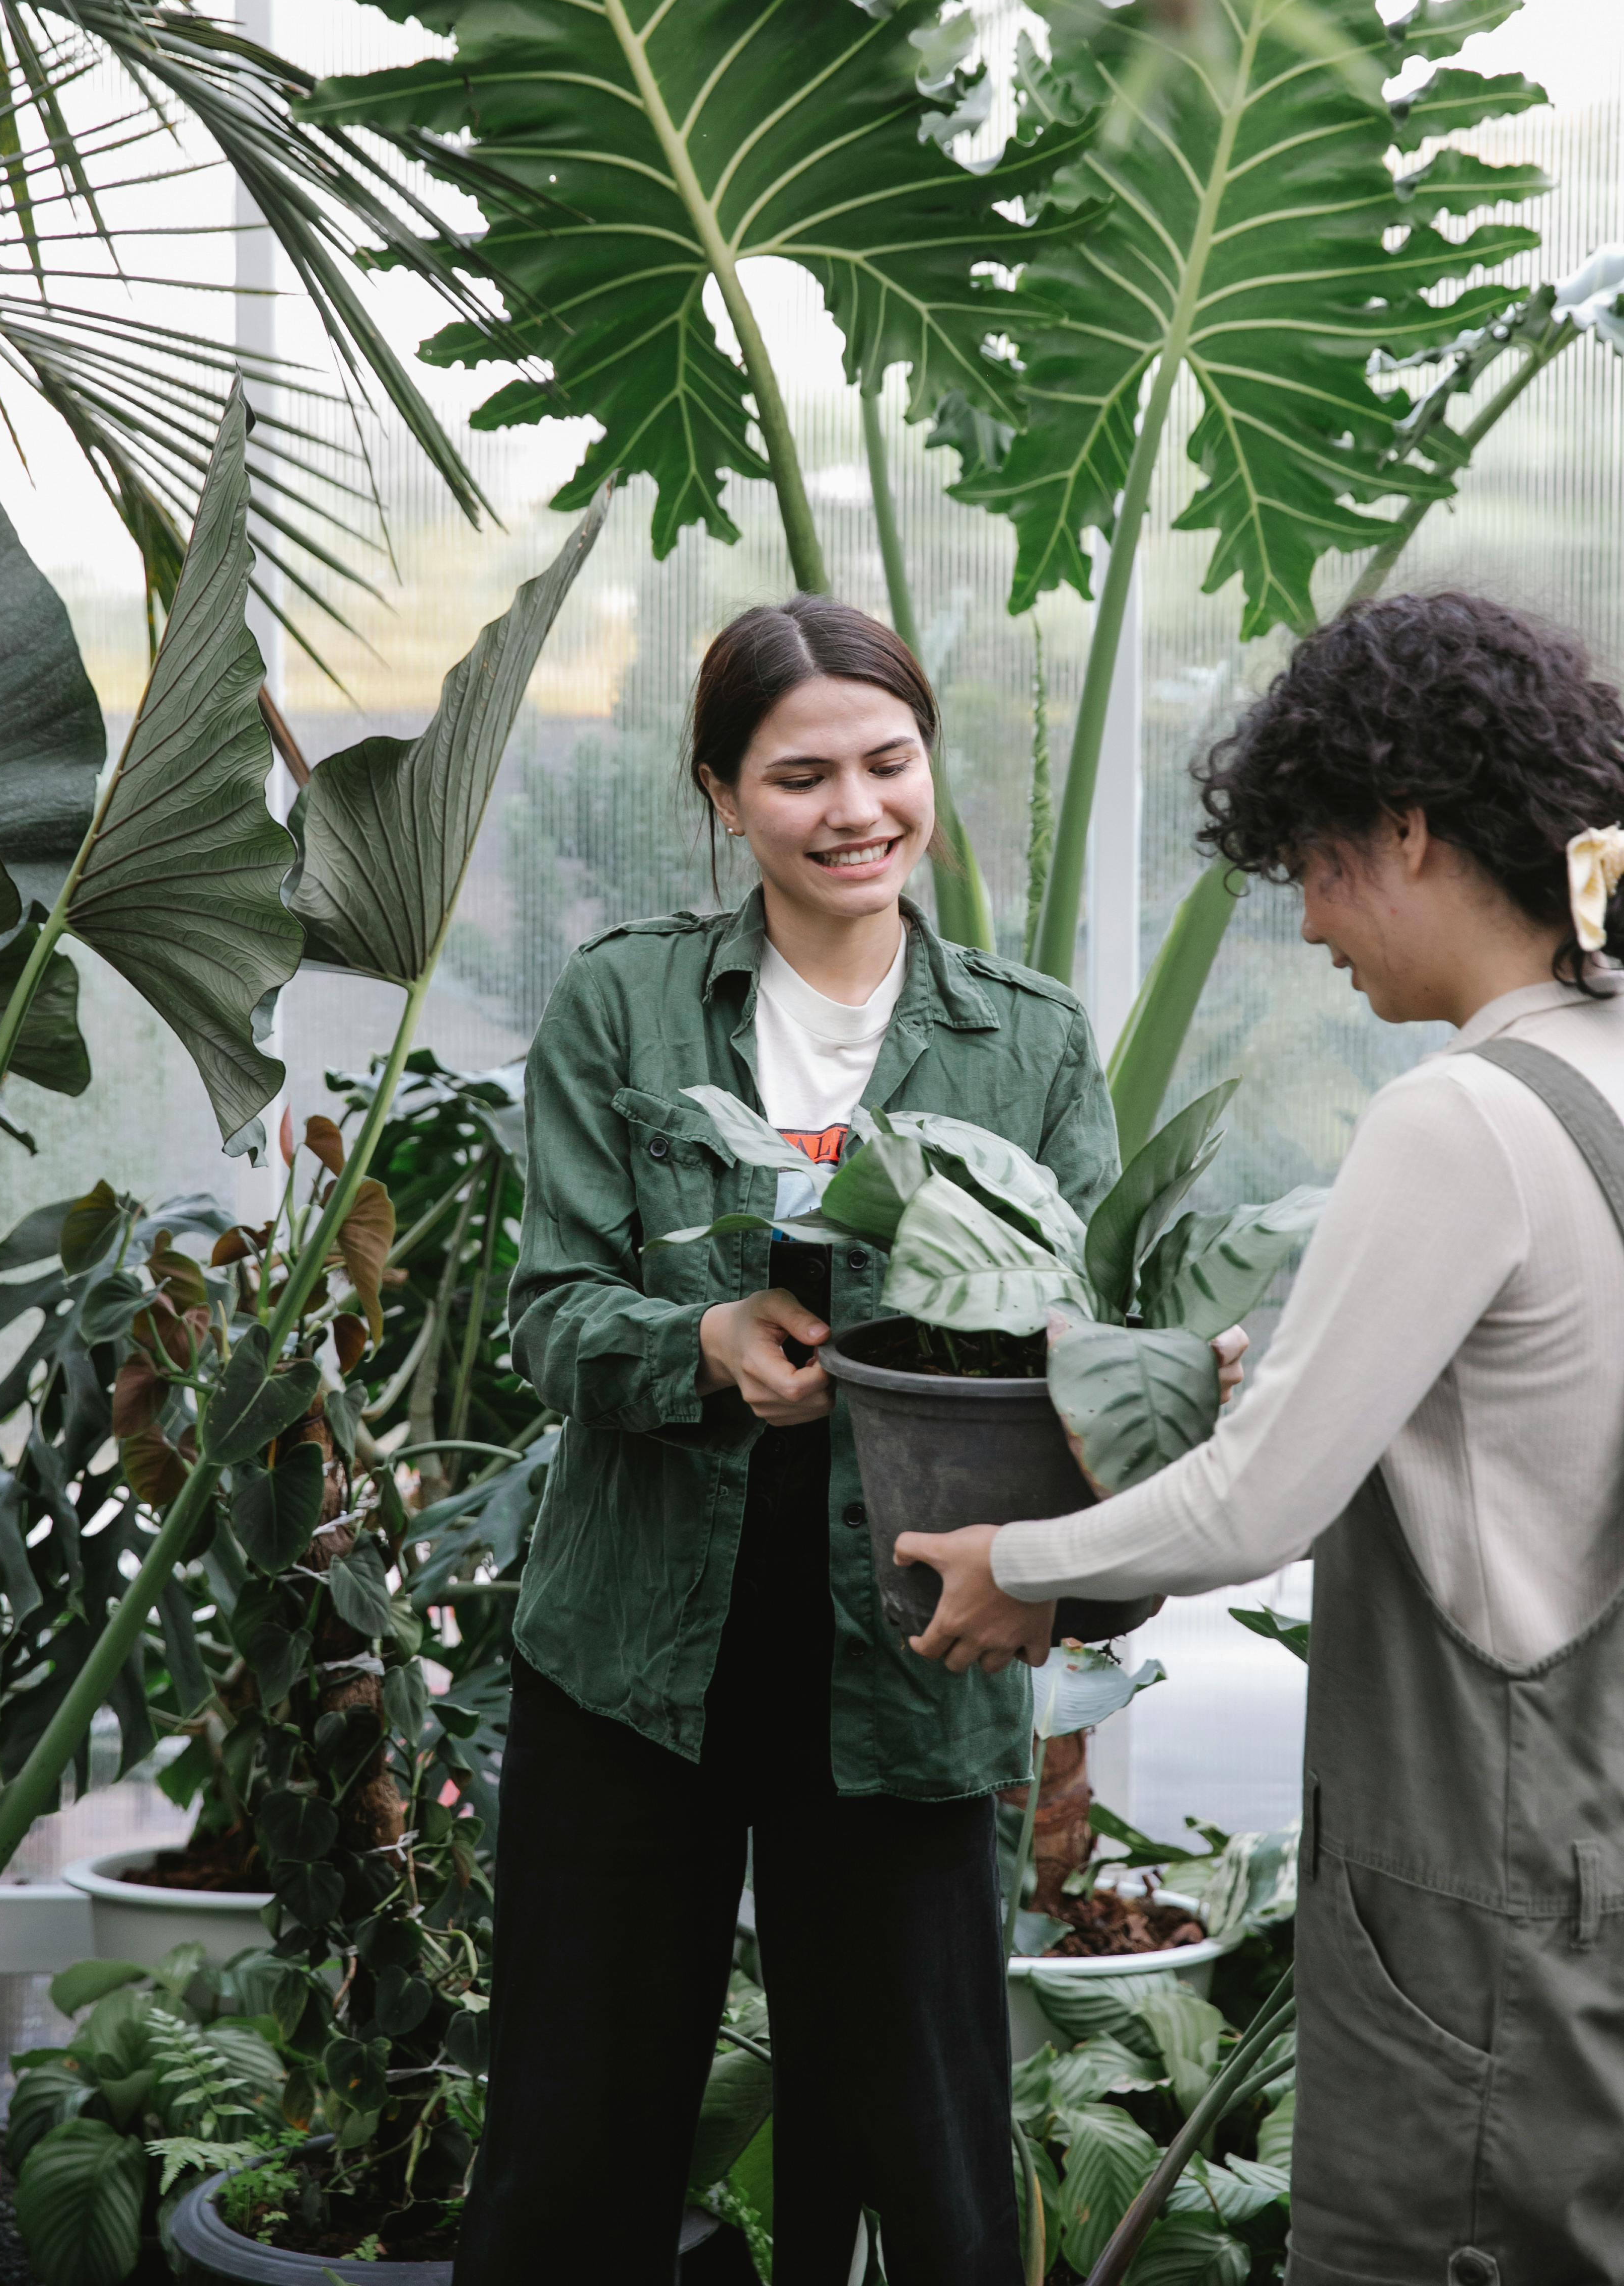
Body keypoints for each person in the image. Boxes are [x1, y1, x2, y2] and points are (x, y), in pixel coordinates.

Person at [898, 588, 1624, 2286]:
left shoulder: (1461, 1116)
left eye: (1317, 867)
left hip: (1474, 1907)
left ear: (1410, 828)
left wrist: (1016, 1564)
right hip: (1591, 1854)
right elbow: (1517, 1422)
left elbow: (1252, 1512)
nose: (1311, 928)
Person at [452, 598, 1120, 2286]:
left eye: (889, 764)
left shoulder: (1025, 1039)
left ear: (928, 769)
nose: (856, 811)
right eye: (801, 775)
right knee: (572, 2150)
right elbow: (547, 1314)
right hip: (635, 1660)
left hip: (908, 1647)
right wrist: (705, 1342)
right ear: (722, 795)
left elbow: (1069, 1345)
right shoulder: (627, 1007)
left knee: (935, 2161)